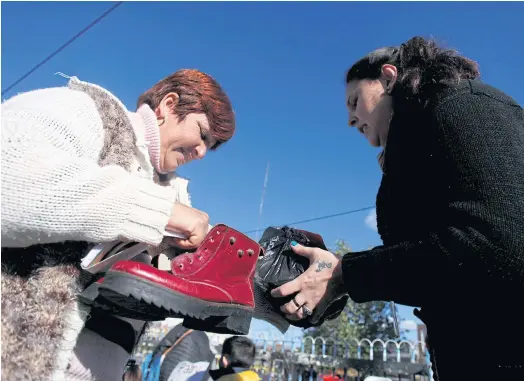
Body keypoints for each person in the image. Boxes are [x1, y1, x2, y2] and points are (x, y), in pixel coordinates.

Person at [271, 36, 524, 380]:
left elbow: (500, 241)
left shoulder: (467, 104)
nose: (349, 120)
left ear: (389, 78)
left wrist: (345, 274)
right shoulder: (416, 142)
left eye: (354, 101)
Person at [1, 69, 235, 381]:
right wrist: (159, 212)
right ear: (168, 105)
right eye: (203, 134)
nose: (203, 153)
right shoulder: (86, 111)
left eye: (212, 146)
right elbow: (9, 176)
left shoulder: (172, 191)